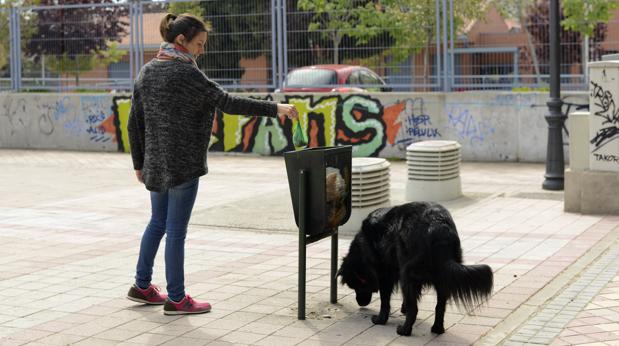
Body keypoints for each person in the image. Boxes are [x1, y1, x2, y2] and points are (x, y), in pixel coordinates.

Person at [125, 13, 298, 315]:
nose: (201, 51)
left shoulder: (147, 71)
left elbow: (133, 122)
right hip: (183, 165)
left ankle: (141, 286)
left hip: (156, 163)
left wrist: (139, 163)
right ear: (181, 41)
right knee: (176, 231)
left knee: (157, 223)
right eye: (199, 44)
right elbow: (228, 103)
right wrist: (276, 108)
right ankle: (176, 298)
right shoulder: (187, 74)